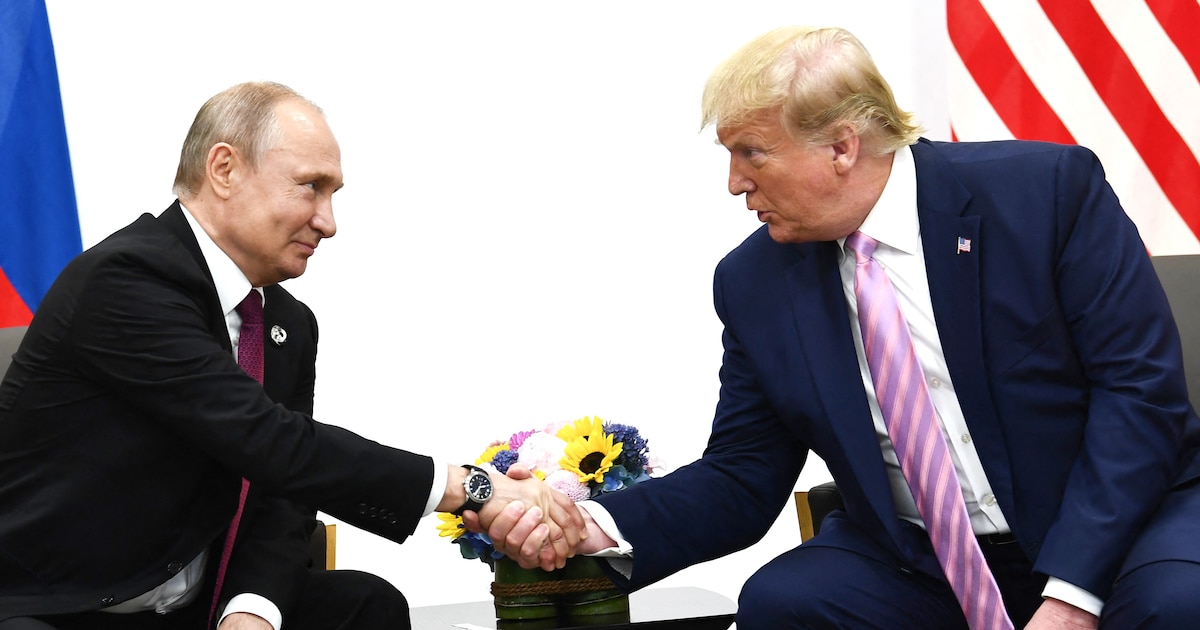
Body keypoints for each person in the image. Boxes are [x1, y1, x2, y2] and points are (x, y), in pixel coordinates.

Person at [474, 26, 1200, 629]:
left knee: (1176, 603)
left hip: (1117, 531)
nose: (734, 182)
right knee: (786, 604)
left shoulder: (1045, 195)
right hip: (922, 560)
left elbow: (1140, 398)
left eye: (751, 153)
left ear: (842, 146)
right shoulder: (755, 280)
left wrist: (1073, 592)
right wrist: (592, 525)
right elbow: (742, 476)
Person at [0, 81, 580, 630]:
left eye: (333, 195)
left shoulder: (286, 323)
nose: (328, 223)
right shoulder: (126, 279)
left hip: (191, 607)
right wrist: (474, 487)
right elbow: (270, 440)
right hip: (57, 604)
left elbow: (283, 491)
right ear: (224, 169)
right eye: (311, 186)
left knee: (364, 605)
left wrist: (252, 608)